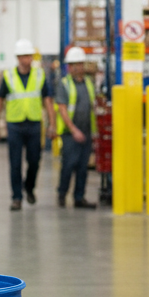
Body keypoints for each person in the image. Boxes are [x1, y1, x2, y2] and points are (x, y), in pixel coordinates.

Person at [0, 38, 54, 211]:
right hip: (15, 125)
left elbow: (47, 100)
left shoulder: (39, 75)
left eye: (29, 56)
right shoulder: (8, 76)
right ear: (18, 58)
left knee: (34, 161)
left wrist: (52, 124)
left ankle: (29, 187)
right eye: (24, 56)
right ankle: (16, 197)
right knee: (15, 163)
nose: (27, 59)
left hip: (34, 124)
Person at [55, 46, 98, 209]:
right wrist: (73, 130)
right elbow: (63, 110)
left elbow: (92, 106)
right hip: (70, 133)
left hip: (86, 131)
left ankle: (79, 197)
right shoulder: (64, 84)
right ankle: (62, 194)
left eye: (79, 64)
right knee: (68, 164)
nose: (76, 68)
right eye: (72, 65)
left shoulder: (89, 83)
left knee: (82, 167)